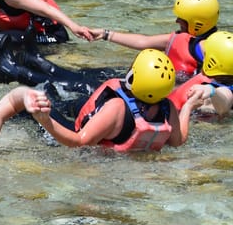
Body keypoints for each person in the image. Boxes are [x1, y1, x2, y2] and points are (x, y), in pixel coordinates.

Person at [28, 49, 205, 152]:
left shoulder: (117, 108)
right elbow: (177, 140)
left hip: (95, 128)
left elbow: (78, 141)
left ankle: (45, 95)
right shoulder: (167, 107)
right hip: (109, 124)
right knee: (80, 102)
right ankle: (53, 95)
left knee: (29, 106)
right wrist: (188, 106)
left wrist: (45, 121)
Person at [87, 0, 220, 78]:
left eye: (182, 19)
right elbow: (144, 42)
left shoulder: (210, 48)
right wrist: (106, 34)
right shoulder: (181, 38)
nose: (177, 21)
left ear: (197, 23)